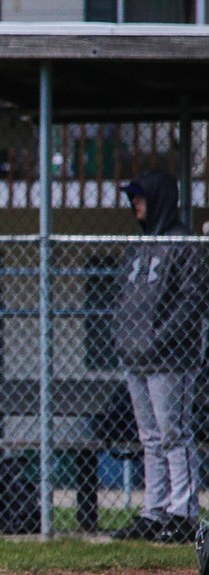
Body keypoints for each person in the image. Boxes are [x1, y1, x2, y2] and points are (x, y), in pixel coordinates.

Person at [111, 169, 203, 543]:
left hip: (169, 359)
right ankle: (154, 509)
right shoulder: (140, 246)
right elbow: (120, 297)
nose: (135, 204)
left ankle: (182, 512)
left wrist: (159, 338)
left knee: (173, 434)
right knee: (149, 437)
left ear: (160, 199)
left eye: (141, 197)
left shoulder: (185, 244)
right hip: (135, 357)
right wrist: (122, 336)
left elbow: (192, 300)